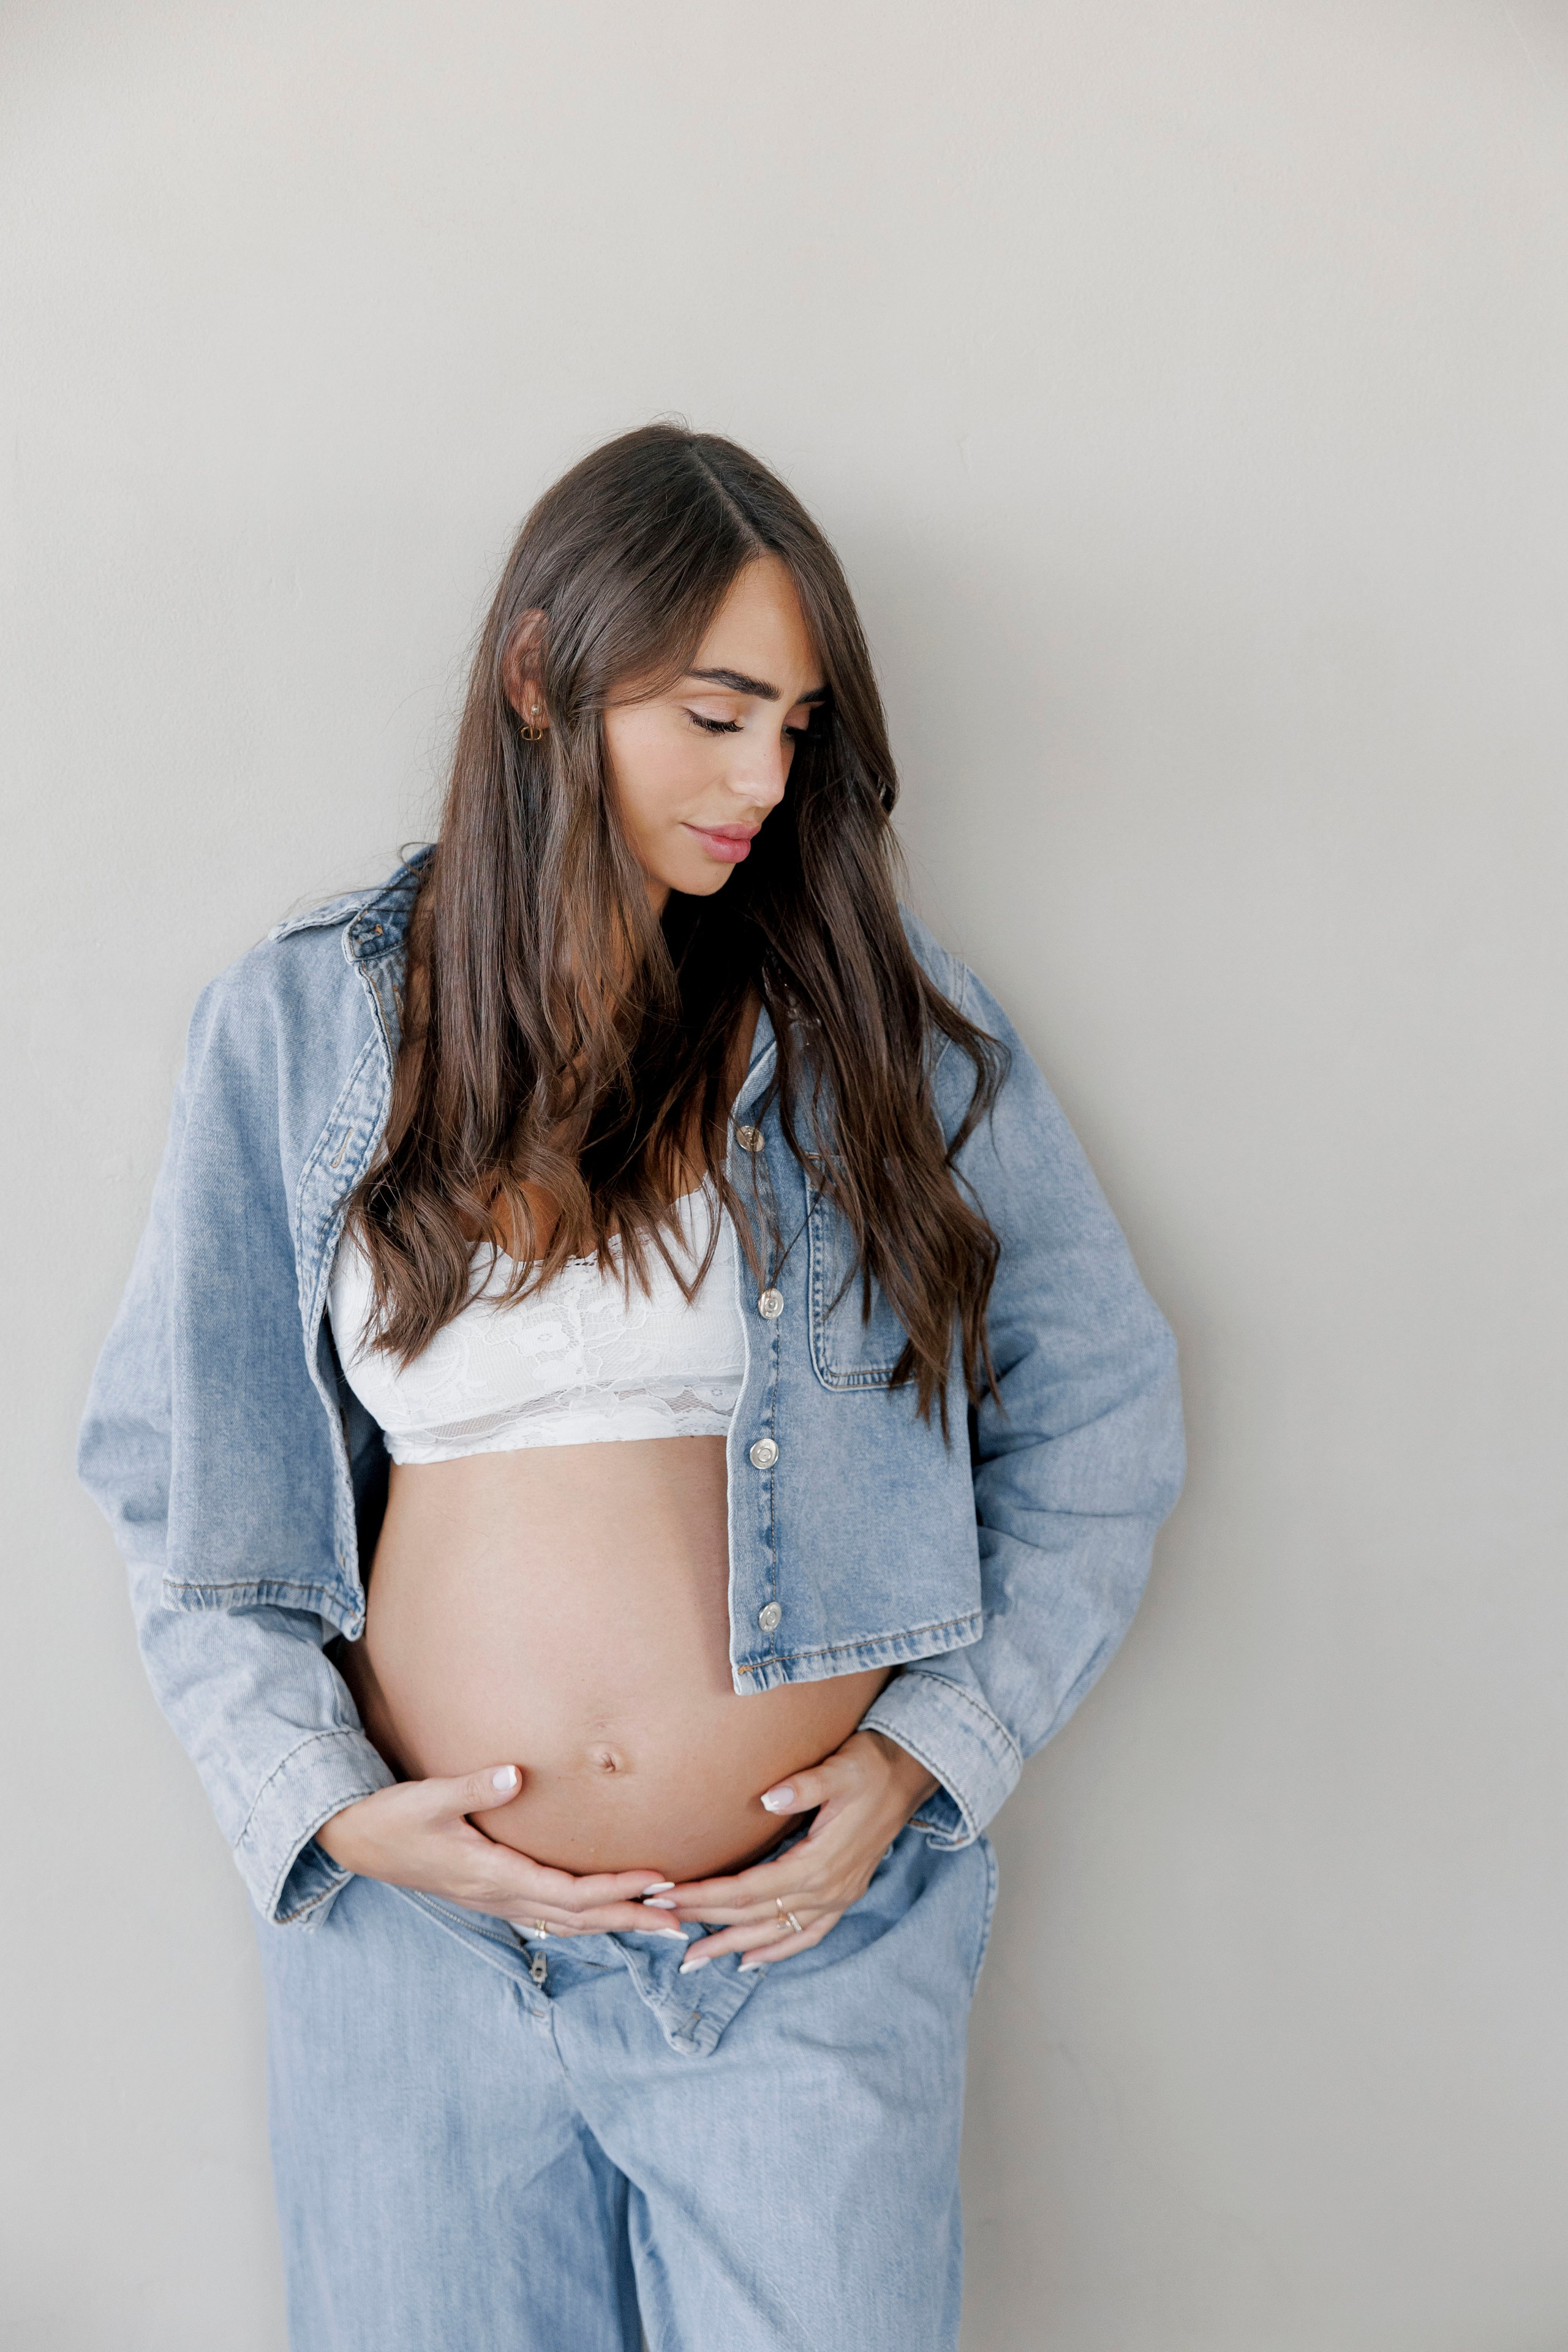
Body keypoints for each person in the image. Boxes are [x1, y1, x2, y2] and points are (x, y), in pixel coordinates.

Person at [79, 423, 1184, 2352]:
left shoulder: (872, 1028)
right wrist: (327, 1815)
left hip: (798, 1950)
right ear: (539, 678)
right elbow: (191, 1489)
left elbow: (1099, 1406)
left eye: (799, 728)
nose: (769, 779)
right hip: (425, 1963)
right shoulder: (304, 1027)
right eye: (715, 714)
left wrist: (932, 1759)